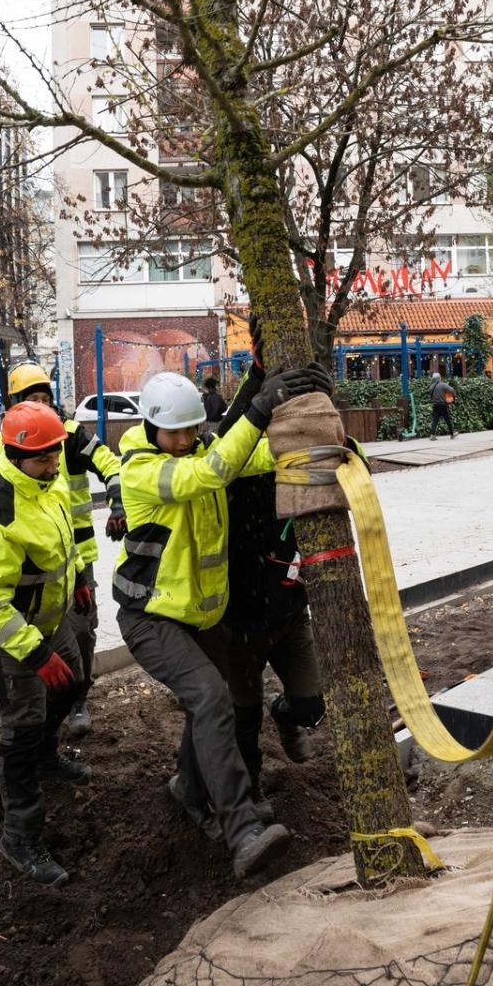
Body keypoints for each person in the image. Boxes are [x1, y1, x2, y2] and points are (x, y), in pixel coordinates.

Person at [114, 365, 326, 879]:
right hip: (152, 618)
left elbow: (244, 450)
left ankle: (188, 789)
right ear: (148, 427)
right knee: (212, 699)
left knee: (208, 707)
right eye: (174, 433)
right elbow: (210, 471)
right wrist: (256, 408)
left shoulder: (200, 451)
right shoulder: (142, 469)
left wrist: (306, 423)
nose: (184, 441)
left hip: (198, 618)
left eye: (192, 430)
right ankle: (242, 829)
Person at [0, 402, 88, 886]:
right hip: (13, 639)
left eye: (56, 455)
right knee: (22, 728)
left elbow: (60, 543)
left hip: (51, 621)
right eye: (43, 458)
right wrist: (35, 654)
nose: (55, 465)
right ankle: (19, 835)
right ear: (13, 454)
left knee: (74, 685)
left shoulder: (43, 486)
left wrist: (77, 578)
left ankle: (46, 758)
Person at [215, 353, 332, 816]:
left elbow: (345, 459)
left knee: (311, 704)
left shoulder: (299, 464)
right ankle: (253, 788)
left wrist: (326, 408)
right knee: (242, 719)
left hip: (287, 616)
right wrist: (259, 380)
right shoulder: (229, 471)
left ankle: (286, 717)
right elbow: (229, 439)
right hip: (239, 624)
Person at [0, 362, 122, 737]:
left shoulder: (72, 436)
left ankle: (77, 700)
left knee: (81, 629)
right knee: (24, 634)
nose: (42, 406)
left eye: (46, 399)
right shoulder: (2, 445)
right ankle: (30, 712)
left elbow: (110, 464)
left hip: (74, 558)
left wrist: (118, 500)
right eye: (33, 399)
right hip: (26, 561)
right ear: (15, 404)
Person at [429, 368, 456, 440]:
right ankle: (452, 434)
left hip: (435, 405)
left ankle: (432, 435)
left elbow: (430, 396)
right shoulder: (443, 385)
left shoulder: (431, 387)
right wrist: (454, 396)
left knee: (435, 420)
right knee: (448, 420)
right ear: (439, 378)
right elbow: (452, 390)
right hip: (443, 405)